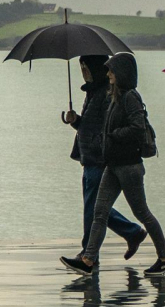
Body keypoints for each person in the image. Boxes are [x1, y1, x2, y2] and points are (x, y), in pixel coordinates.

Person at [61, 52, 165, 276]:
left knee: (143, 213)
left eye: (112, 70)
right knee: (100, 211)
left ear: (121, 72)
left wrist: (112, 135)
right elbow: (100, 126)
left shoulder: (130, 97)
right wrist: (82, 125)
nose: (108, 73)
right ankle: (88, 259)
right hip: (113, 164)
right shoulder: (113, 94)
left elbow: (137, 127)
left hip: (128, 166)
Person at [62, 55, 147, 262]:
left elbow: (108, 127)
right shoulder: (92, 92)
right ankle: (130, 232)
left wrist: (102, 142)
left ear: (96, 68)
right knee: (96, 206)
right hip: (88, 156)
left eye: (86, 67)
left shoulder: (107, 94)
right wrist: (76, 121)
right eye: (81, 67)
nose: (83, 72)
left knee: (94, 207)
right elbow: (89, 125)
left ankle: (89, 253)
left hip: (99, 158)